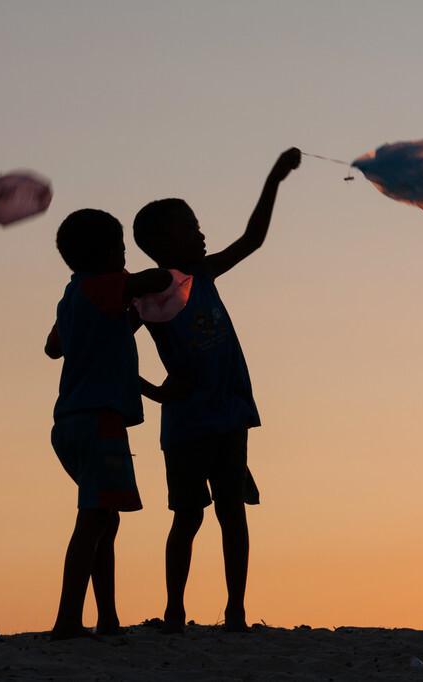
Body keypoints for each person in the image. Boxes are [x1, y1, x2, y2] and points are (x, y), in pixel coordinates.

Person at [133, 148, 301, 633]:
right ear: (163, 241)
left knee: (232, 512)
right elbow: (109, 349)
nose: (201, 233)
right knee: (188, 519)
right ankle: (174, 612)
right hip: (187, 424)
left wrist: (274, 178)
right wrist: (155, 391)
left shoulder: (202, 274)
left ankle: (235, 612)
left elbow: (253, 238)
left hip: (227, 414)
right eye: (190, 226)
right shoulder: (150, 293)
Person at [44, 208, 173, 639]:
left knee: (105, 517)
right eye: (120, 248)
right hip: (100, 421)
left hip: (69, 422)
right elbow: (152, 281)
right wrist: (142, 284)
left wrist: (123, 319)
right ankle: (67, 619)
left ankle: (108, 618)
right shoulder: (105, 284)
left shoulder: (73, 295)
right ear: (103, 254)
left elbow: (53, 347)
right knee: (94, 519)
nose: (124, 256)